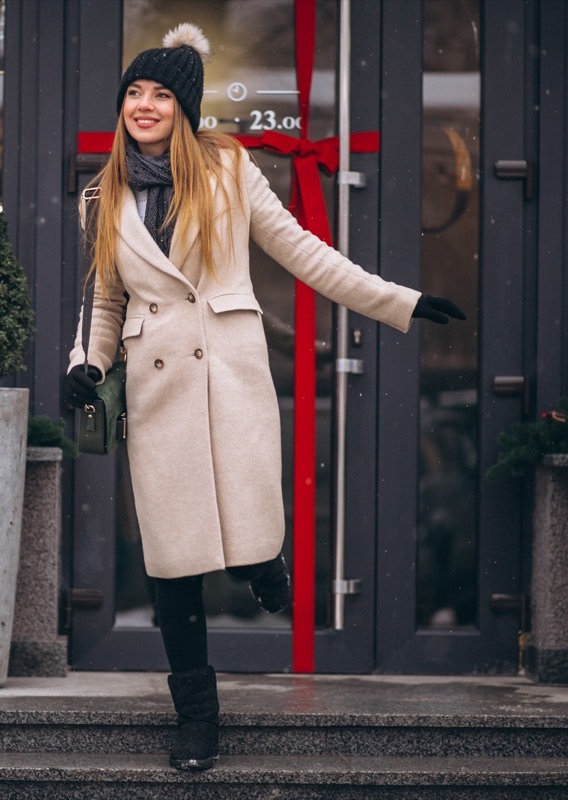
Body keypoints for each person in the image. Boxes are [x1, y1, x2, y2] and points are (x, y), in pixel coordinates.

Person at [64, 23, 465, 772]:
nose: (142, 106)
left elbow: (304, 250)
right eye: (132, 93)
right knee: (173, 567)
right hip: (157, 388)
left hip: (228, 370)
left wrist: (401, 302)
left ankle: (262, 564)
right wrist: (85, 361)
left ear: (183, 107)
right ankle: (197, 721)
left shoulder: (229, 171)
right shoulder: (104, 194)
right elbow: (105, 302)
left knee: (250, 509)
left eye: (158, 94)